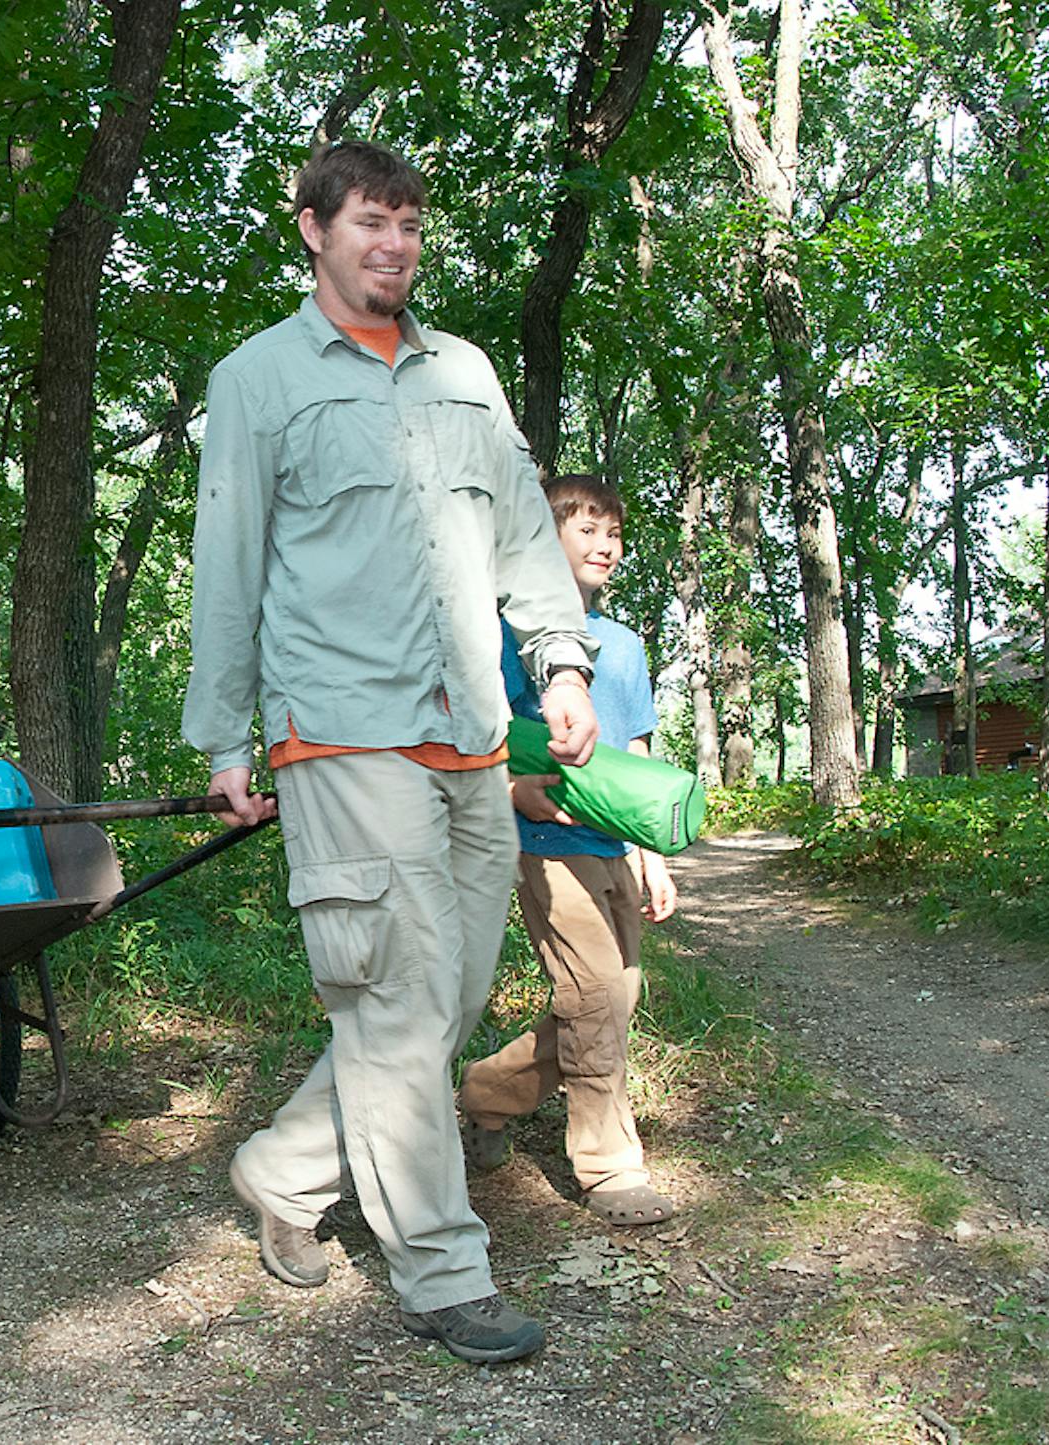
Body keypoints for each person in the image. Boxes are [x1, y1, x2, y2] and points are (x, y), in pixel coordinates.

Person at [184, 141, 599, 1366]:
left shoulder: (464, 373)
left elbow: (524, 532)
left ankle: (283, 1168)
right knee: (396, 999)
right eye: (372, 220)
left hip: (469, 732)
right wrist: (223, 732)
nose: (396, 243)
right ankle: (441, 1270)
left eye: (411, 223)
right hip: (342, 732)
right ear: (314, 229)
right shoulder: (257, 378)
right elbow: (229, 564)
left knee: (446, 995)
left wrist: (561, 664)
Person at [457, 475, 680, 1228]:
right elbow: (471, 736)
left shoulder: (625, 645)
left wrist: (652, 853)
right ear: (542, 542)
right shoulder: (503, 639)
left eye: (613, 532)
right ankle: (610, 1167)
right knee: (595, 998)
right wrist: (510, 789)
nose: (605, 545)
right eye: (586, 530)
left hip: (614, 845)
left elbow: (637, 751)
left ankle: (487, 1093)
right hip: (547, 846)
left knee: (614, 999)